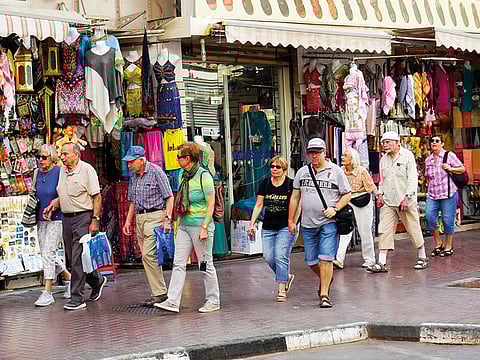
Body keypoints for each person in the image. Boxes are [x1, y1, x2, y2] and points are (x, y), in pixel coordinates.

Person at [155, 142, 220, 313]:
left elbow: (211, 203)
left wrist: (205, 227)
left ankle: (213, 300)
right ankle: (172, 301)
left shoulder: (203, 176)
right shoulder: (182, 175)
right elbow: (178, 198)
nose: (176, 160)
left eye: (179, 157)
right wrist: (172, 218)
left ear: (188, 158)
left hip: (200, 225)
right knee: (178, 263)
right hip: (184, 224)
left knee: (205, 264)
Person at [288, 138, 351, 308]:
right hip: (308, 224)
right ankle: (326, 278)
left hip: (328, 222)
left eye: (317, 152)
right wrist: (291, 220)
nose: (314, 156)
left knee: (326, 258)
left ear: (324, 153)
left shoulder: (336, 171)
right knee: (311, 260)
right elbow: (295, 197)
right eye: (311, 153)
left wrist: (335, 209)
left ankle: (324, 294)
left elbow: (347, 194)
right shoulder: (302, 172)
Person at [44, 143, 106, 310]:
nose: (62, 157)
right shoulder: (63, 171)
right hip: (67, 218)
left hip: (83, 217)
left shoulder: (87, 170)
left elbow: (97, 197)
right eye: (61, 154)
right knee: (73, 257)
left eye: (65, 154)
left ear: (76, 155)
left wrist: (95, 219)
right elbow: (64, 194)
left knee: (77, 258)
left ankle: (77, 298)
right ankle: (96, 280)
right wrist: (54, 204)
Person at [121, 146, 174, 306]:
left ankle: (160, 293)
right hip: (140, 217)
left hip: (155, 216)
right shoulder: (134, 177)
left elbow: (169, 197)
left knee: (148, 256)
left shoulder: (157, 172)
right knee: (147, 256)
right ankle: (158, 291)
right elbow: (132, 201)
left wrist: (168, 218)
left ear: (141, 160)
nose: (129, 166)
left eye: (131, 162)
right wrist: (128, 221)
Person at [370, 131, 427, 273]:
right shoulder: (383, 159)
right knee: (384, 229)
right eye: (384, 142)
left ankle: (422, 256)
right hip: (389, 200)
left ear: (397, 143)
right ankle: (381, 262)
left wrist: (408, 197)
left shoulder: (407, 156)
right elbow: (382, 180)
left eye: (388, 142)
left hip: (405, 199)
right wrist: (380, 195)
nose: (385, 145)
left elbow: (412, 178)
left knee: (413, 227)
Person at [248, 155, 295, 302]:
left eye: (278, 167)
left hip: (285, 226)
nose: (274, 169)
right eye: (272, 166)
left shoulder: (290, 184)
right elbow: (259, 204)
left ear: (284, 169)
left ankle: (281, 289)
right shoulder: (265, 183)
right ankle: (286, 276)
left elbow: (297, 205)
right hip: (268, 226)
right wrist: (252, 223)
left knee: (280, 255)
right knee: (268, 257)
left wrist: (293, 221)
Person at [34, 144, 71, 307]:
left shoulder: (59, 172)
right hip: (41, 219)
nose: (40, 160)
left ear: (52, 158)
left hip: (57, 218)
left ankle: (48, 291)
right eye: (39, 157)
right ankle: (69, 278)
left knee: (48, 252)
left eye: (44, 157)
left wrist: (55, 204)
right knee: (46, 253)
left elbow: (66, 192)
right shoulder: (36, 173)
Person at [334, 148, 377, 269]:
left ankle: (370, 259)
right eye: (342, 155)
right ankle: (339, 259)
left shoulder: (362, 171)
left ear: (352, 159)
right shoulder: (340, 171)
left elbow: (371, 186)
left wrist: (378, 195)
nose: (342, 157)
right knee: (345, 229)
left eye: (345, 155)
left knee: (365, 231)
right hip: (347, 201)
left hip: (361, 200)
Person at [425, 134, 465, 257]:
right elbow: (427, 177)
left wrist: (450, 169)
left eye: (437, 141)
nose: (434, 143)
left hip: (448, 193)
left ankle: (448, 245)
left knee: (448, 220)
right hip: (433, 194)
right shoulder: (428, 160)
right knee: (430, 217)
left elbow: (462, 169)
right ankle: (438, 243)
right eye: (432, 141)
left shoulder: (449, 156)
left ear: (442, 143)